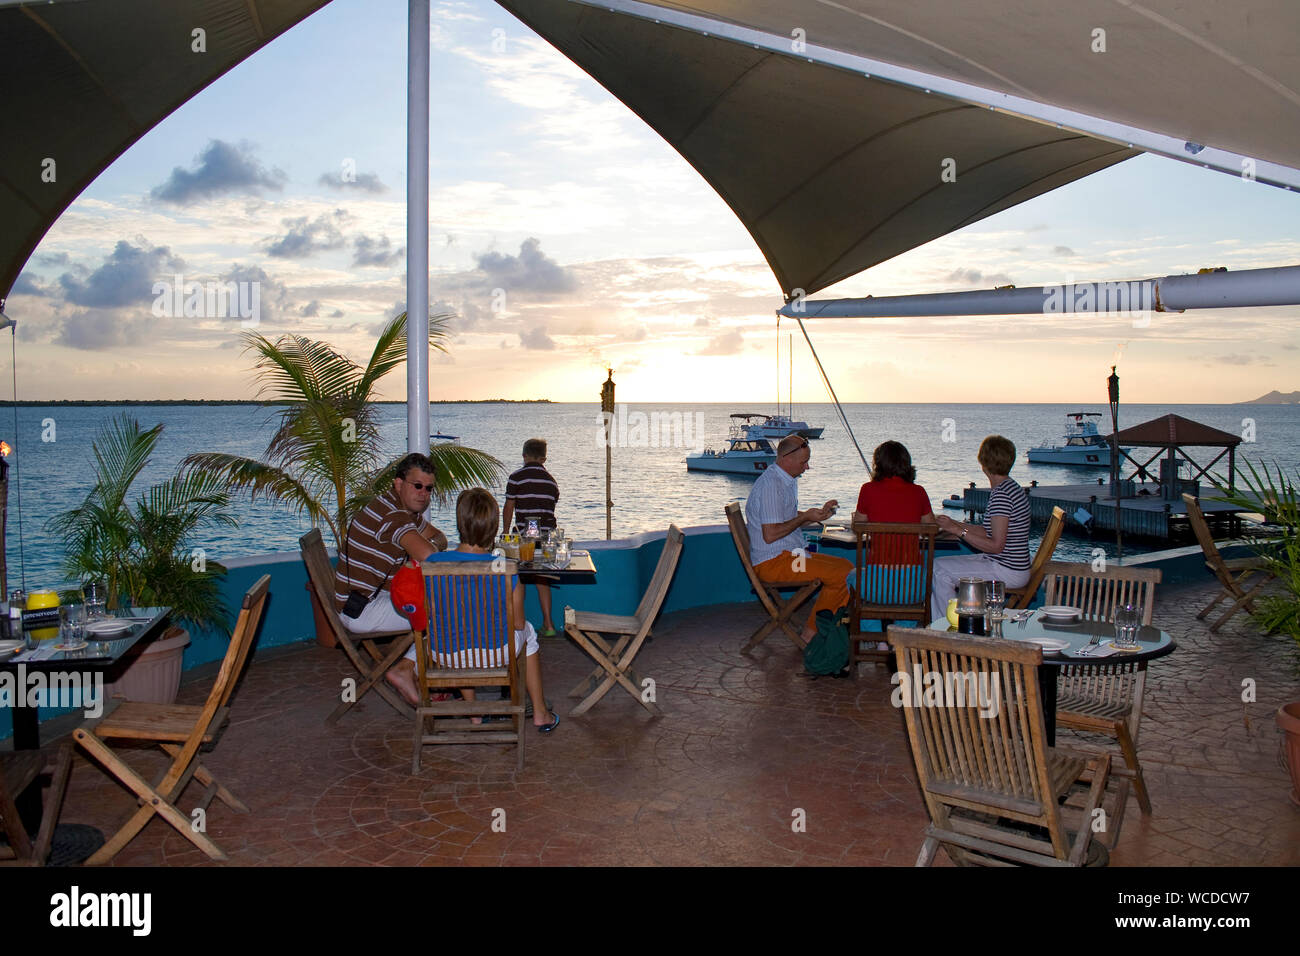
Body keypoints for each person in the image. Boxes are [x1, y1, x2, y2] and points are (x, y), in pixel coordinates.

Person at [416, 488, 559, 732]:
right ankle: (540, 713)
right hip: (496, 654)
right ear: (493, 527)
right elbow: (517, 624)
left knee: (458, 631)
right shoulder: (504, 567)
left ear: (460, 523)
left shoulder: (432, 563)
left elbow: (426, 614)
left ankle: (474, 712)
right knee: (529, 635)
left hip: (445, 655)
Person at [334, 453, 449, 706]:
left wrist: (424, 548)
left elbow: (438, 537)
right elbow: (430, 556)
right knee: (449, 614)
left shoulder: (399, 510)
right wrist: (423, 551)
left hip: (369, 598)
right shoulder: (393, 516)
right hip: (361, 609)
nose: (423, 493)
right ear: (398, 484)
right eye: (417, 486)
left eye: (428, 488)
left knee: (441, 605)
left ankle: (416, 671)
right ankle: (406, 669)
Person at [745, 433, 852, 647]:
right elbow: (771, 534)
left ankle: (820, 629)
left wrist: (817, 515)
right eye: (804, 462)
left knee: (847, 568)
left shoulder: (786, 481)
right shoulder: (771, 485)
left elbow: (783, 517)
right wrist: (804, 517)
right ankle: (812, 634)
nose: (807, 468)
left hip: (791, 555)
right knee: (841, 574)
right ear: (786, 459)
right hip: (774, 562)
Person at [930, 435, 1032, 621]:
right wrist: (954, 523)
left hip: (1007, 569)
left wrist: (957, 530)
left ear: (983, 463)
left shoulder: (1001, 495)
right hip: (1014, 566)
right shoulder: (1011, 488)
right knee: (940, 565)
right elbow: (988, 531)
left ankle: (945, 631)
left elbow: (995, 546)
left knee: (939, 570)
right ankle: (954, 624)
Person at [849, 441, 936, 648]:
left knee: (851, 578)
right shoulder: (919, 492)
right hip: (912, 588)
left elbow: (858, 526)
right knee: (929, 579)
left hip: (875, 587)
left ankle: (875, 637)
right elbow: (932, 526)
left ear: (878, 464)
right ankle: (900, 635)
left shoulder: (868, 490)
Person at [502, 438, 560, 636]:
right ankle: (549, 624)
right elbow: (550, 510)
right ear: (544, 458)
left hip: (524, 537)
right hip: (548, 538)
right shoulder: (551, 482)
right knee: (542, 579)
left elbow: (509, 507)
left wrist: (505, 531)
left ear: (524, 455)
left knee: (519, 578)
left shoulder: (516, 478)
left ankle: (519, 624)